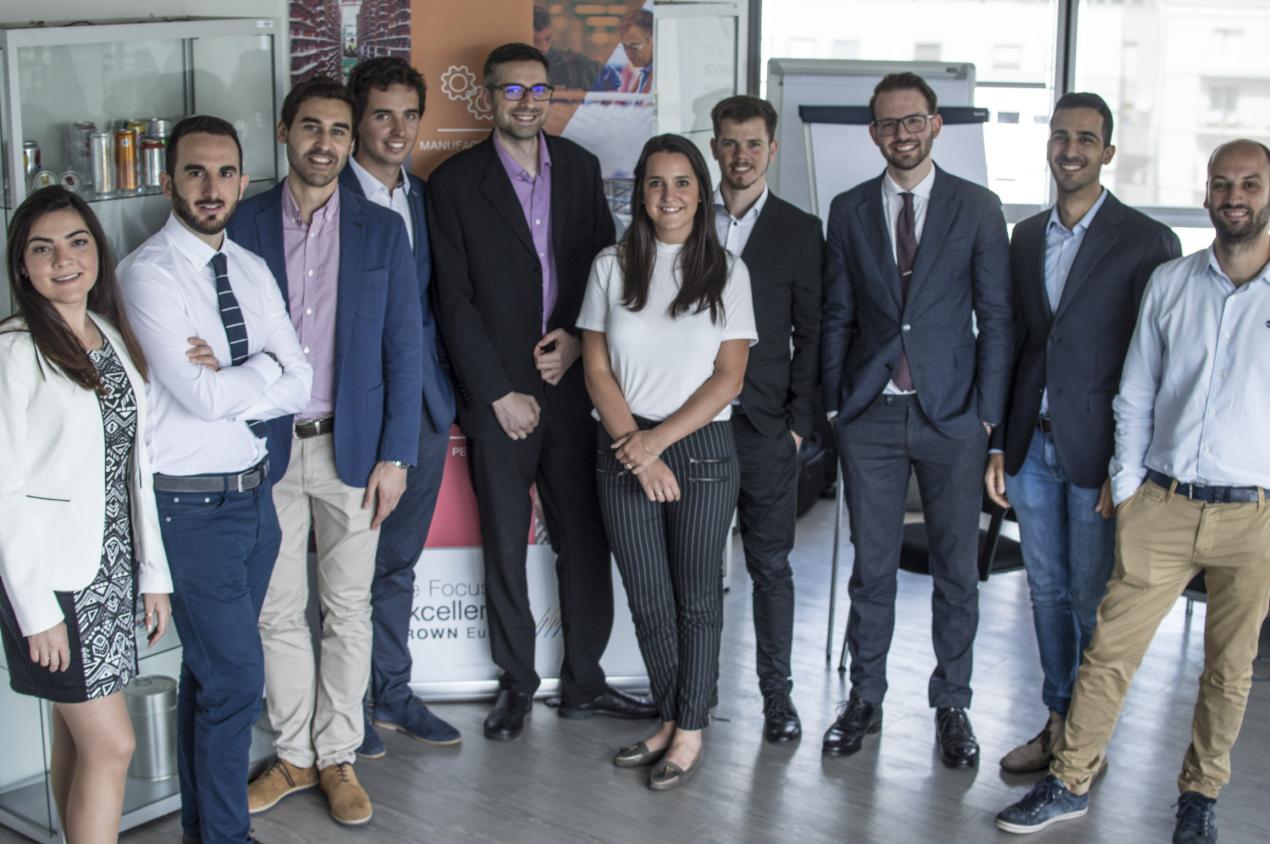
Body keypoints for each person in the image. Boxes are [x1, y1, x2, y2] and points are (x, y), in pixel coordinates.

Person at [996, 139, 1270, 844]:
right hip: (1165, 504)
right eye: (1221, 183)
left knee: (1228, 671)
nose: (1234, 196)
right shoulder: (1174, 282)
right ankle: (1069, 781)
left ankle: (1199, 798)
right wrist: (1131, 487)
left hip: (1254, 516)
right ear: (1206, 192)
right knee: (1109, 653)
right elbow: (1137, 389)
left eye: (1250, 184)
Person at [428, 42, 655, 741]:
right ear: (488, 98)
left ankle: (586, 679)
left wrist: (574, 341)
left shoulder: (582, 169)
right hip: (500, 401)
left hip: (571, 385)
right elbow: (453, 299)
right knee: (503, 542)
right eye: (511, 91)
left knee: (585, 537)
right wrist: (497, 391)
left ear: (550, 96)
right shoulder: (453, 181)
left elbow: (603, 270)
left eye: (537, 90)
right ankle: (516, 685)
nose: (525, 102)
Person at [229, 76, 424, 827]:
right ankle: (295, 757)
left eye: (339, 131)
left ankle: (338, 754)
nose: (325, 144)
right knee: (277, 611)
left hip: (354, 448)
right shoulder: (242, 225)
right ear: (285, 131)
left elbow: (404, 351)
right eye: (311, 128)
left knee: (346, 609)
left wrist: (397, 456)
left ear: (351, 139)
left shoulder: (381, 230)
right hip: (265, 447)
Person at [119, 115, 313, 844]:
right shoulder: (147, 275)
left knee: (210, 678)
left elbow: (300, 381)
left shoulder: (251, 267)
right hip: (191, 509)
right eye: (196, 172)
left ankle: (206, 834)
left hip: (253, 499)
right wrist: (257, 372)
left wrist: (240, 373)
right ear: (169, 181)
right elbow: (201, 400)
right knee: (235, 680)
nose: (212, 187)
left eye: (226, 172)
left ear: (242, 180)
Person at [819, 72, 1012, 768]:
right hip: (869, 416)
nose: (901, 134)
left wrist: (987, 418)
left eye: (913, 121)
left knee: (957, 572)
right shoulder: (846, 210)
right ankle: (863, 698)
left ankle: (951, 705)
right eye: (888, 124)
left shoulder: (978, 208)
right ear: (873, 134)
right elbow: (837, 313)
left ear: (935, 126)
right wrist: (837, 406)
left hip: (953, 417)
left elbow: (995, 317)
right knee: (871, 571)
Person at [985, 92, 1180, 774]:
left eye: (1087, 139)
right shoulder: (1027, 234)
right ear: (1049, 144)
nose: (1072, 149)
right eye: (1062, 136)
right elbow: (1017, 344)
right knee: (1045, 591)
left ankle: (1087, 741)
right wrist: (999, 444)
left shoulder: (1147, 241)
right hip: (1031, 446)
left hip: (1098, 456)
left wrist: (1128, 469)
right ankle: (1060, 718)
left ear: (1108, 151)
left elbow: (1154, 363)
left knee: (1095, 598)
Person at [578, 133, 755, 790]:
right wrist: (635, 443)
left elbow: (728, 378)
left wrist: (657, 444)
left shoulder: (728, 272)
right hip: (621, 445)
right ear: (640, 193)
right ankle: (675, 717)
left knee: (698, 599)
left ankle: (689, 730)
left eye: (682, 182)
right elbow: (595, 367)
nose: (669, 195)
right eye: (656, 182)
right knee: (648, 598)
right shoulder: (610, 265)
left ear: (700, 192)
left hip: (702, 448)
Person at [0, 186, 172, 844]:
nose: (63, 259)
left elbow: (136, 468)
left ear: (96, 251)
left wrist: (152, 574)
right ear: (23, 267)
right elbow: (5, 492)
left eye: (76, 242)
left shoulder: (107, 337)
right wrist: (36, 612)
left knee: (79, 743)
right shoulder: (15, 350)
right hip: (55, 580)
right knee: (112, 746)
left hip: (110, 569)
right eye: (42, 249)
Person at [341, 56, 461, 760]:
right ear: (359, 117)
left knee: (398, 565)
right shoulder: (334, 202)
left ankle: (391, 692)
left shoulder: (420, 196)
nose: (397, 129)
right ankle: (346, 705)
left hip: (423, 409)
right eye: (382, 114)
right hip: (359, 415)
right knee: (350, 570)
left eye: (409, 115)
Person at [708, 95, 823, 742]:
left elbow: (813, 335)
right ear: (715, 148)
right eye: (730, 143)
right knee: (694, 568)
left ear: (771, 150)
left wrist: (798, 423)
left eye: (753, 144)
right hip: (693, 423)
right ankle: (689, 696)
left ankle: (777, 698)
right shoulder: (686, 219)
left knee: (770, 567)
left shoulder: (800, 231)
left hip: (765, 428)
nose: (742, 156)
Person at [533, 5, 613, 91]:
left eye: (547, 39)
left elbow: (612, 78)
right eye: (534, 41)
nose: (544, 47)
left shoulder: (571, 63)